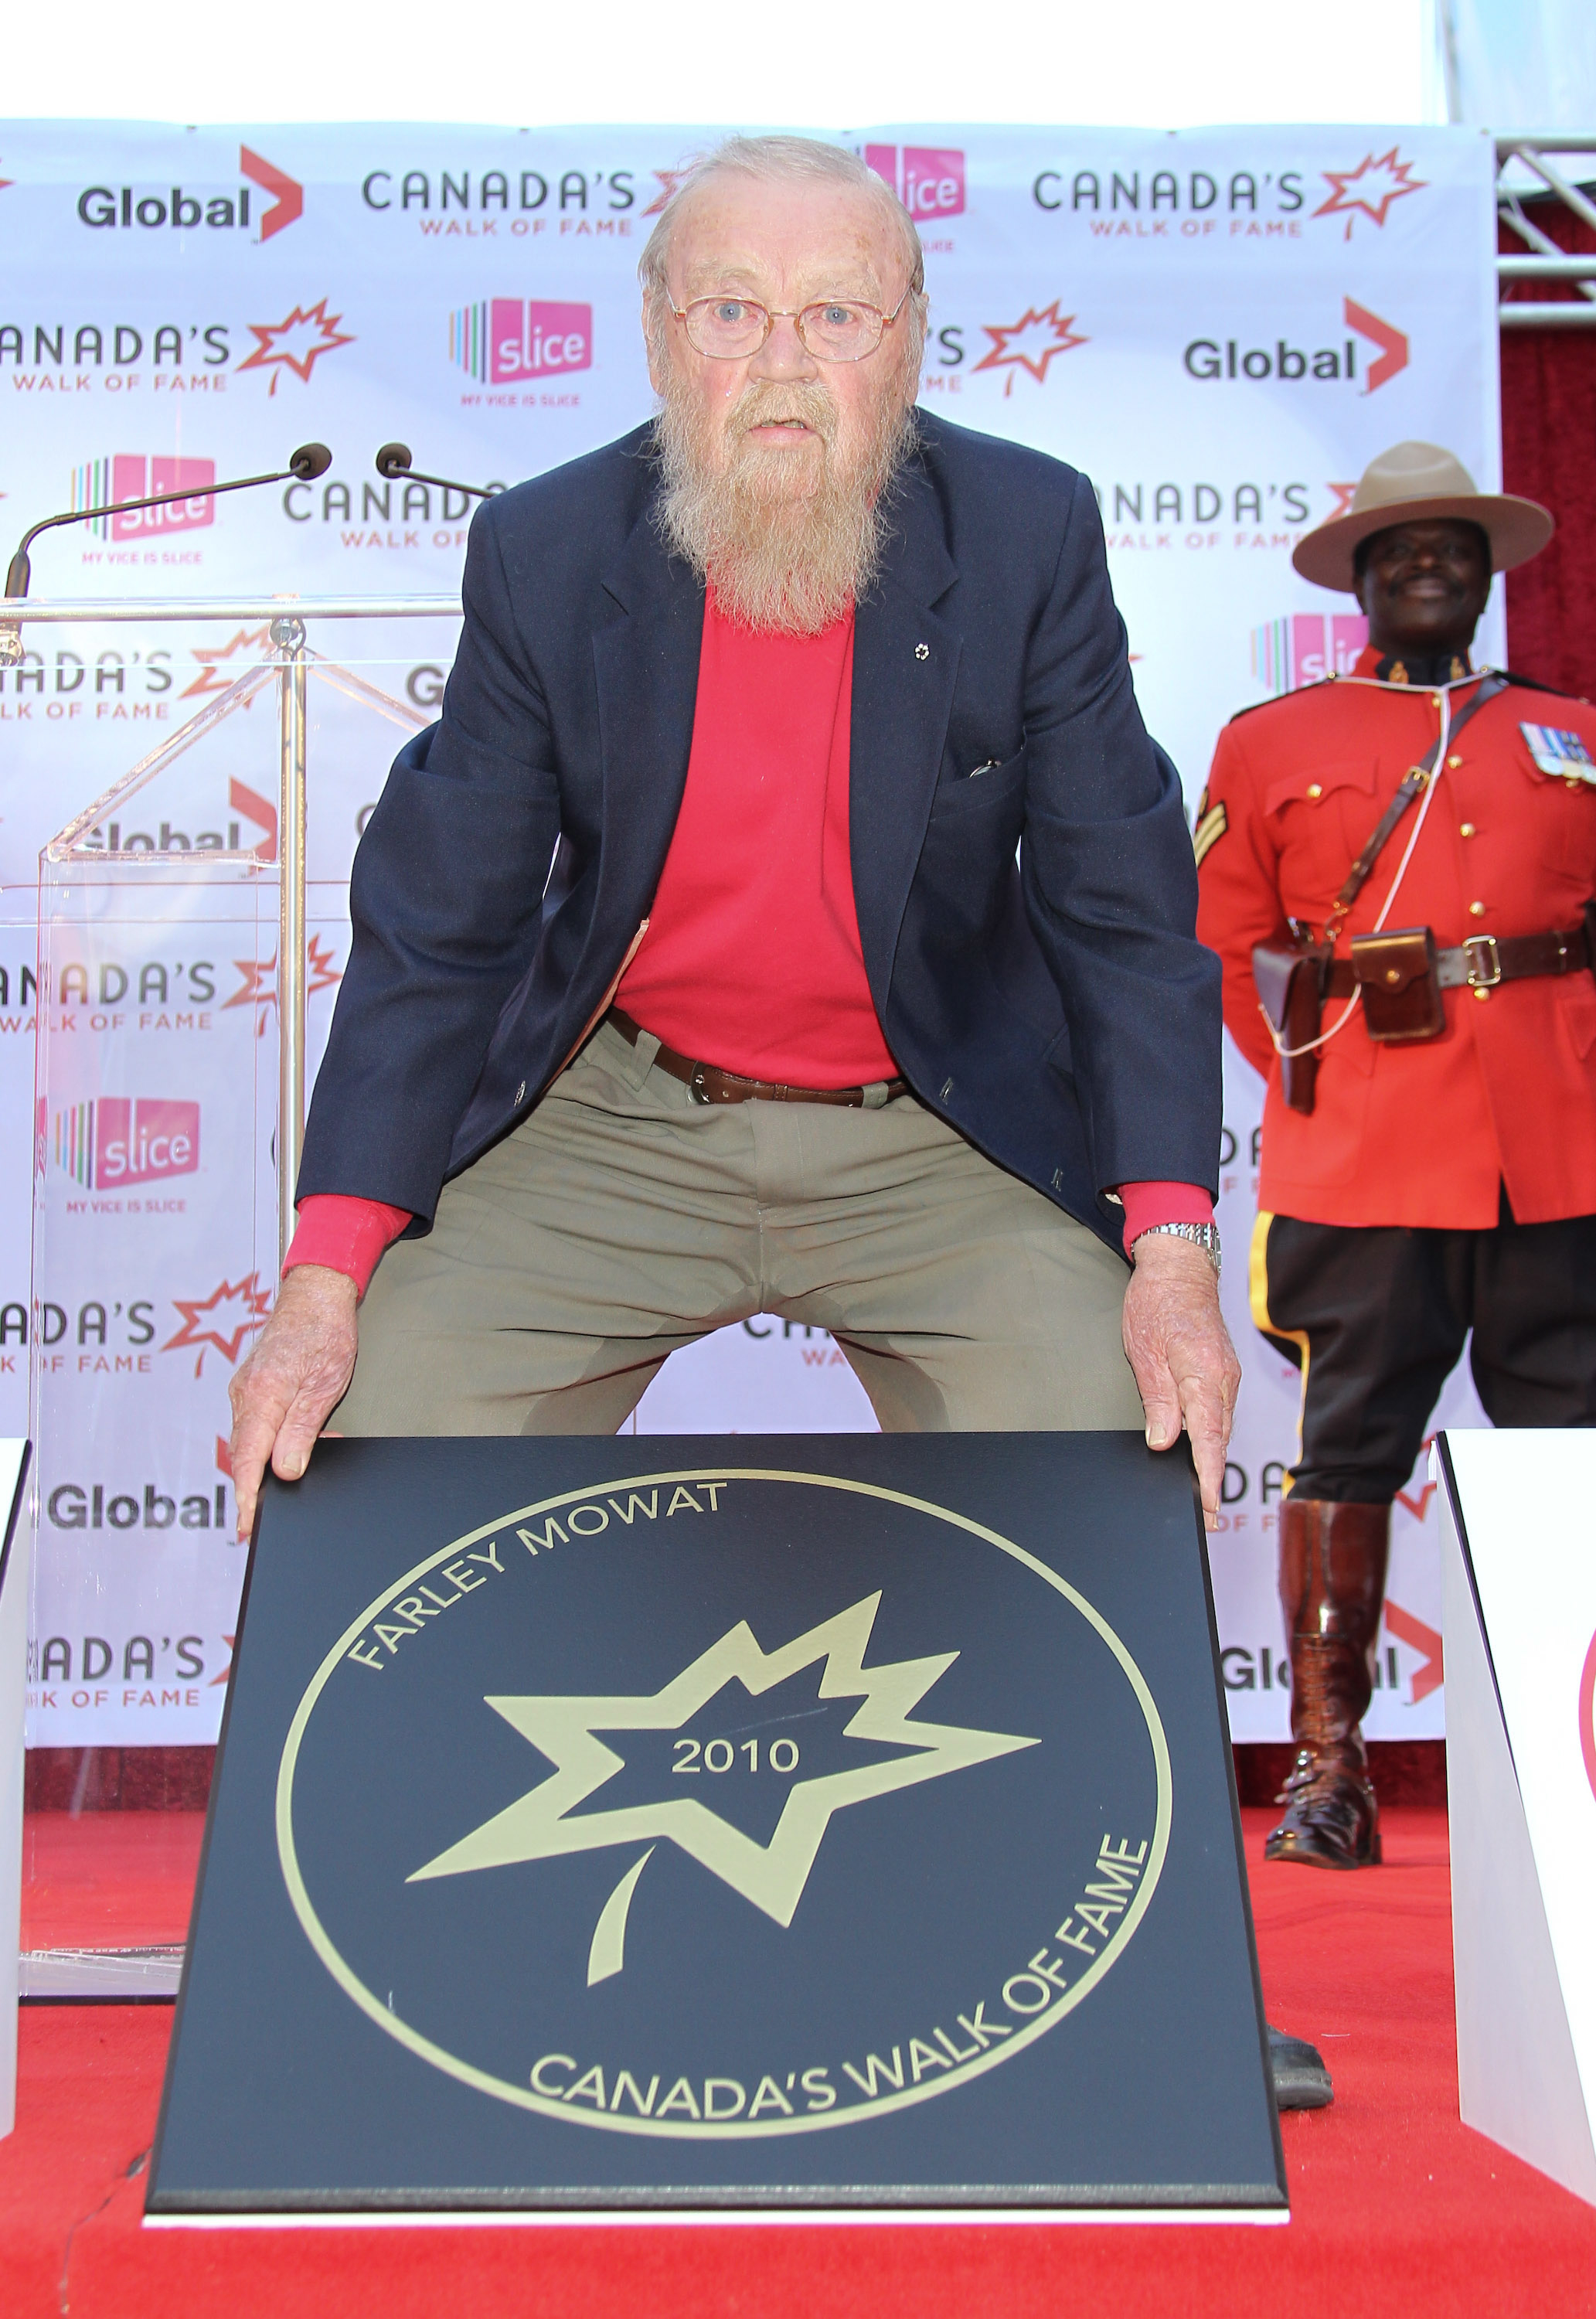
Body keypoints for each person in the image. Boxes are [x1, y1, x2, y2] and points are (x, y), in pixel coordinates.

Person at [228, 135, 1237, 1541]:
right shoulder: (545, 548)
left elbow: (1117, 906)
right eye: (729, 311)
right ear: (657, 339)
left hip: (934, 1126)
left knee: (1105, 1450)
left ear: (905, 344)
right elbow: (441, 920)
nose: (780, 361)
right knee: (371, 1436)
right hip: (618, 1116)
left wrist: (1172, 1248)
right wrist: (323, 1281)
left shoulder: (1028, 531)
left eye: (834, 313)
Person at [1196, 439, 1596, 1870]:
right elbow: (1227, 948)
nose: (1426, 566)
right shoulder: (1270, 741)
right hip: (1362, 1155)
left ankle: (1568, 1760)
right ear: (1357, 578)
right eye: (1397, 549)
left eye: (1451, 547)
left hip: (1557, 1153)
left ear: (1487, 576)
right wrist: (1314, 1077)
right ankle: (1329, 1772)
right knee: (1344, 1452)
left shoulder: (1570, 728)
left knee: (1572, 1457)